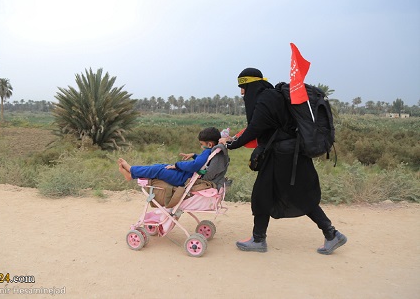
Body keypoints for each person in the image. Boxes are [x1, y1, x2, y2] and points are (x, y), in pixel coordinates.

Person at [219, 68, 347, 255]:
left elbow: (255, 128)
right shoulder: (273, 97)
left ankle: (329, 233)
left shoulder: (265, 99)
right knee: (277, 193)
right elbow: (263, 128)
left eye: (243, 87)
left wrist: (231, 145)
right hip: (287, 153)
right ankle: (328, 233)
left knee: (270, 194)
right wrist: (234, 140)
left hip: (282, 156)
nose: (242, 92)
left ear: (251, 85)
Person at [119, 127, 226, 187]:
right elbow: (203, 162)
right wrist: (194, 155)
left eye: (201, 144)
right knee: (160, 166)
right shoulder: (212, 151)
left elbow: (195, 165)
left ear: (209, 144)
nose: (201, 146)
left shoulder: (207, 152)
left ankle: (131, 170)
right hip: (187, 175)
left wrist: (177, 165)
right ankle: (132, 174)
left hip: (184, 178)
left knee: (158, 170)